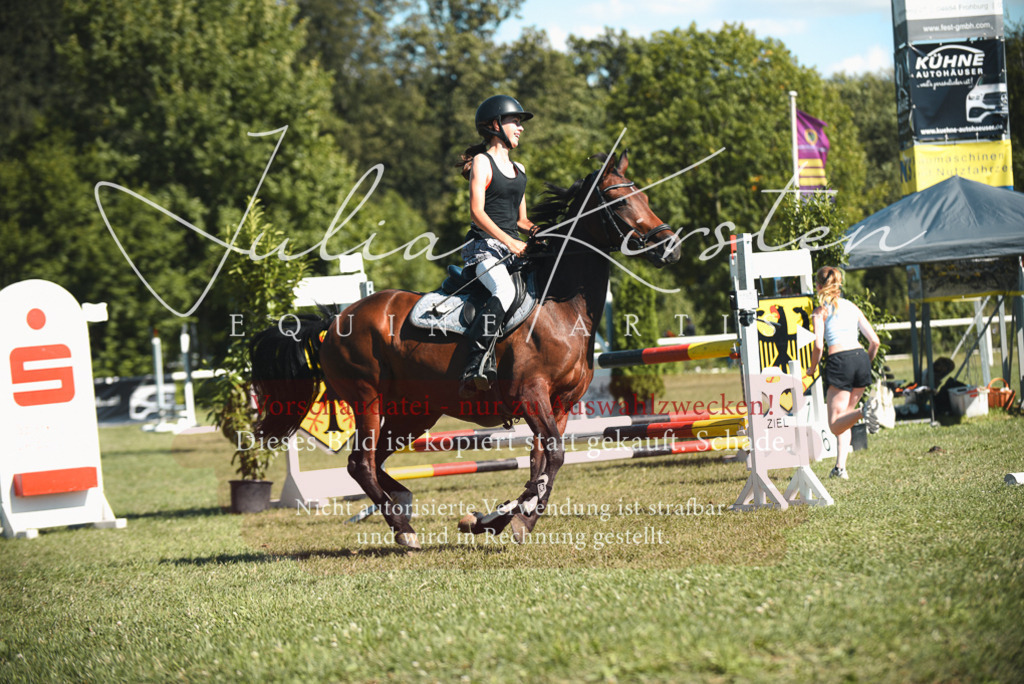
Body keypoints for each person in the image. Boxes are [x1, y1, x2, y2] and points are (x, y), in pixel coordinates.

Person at [455, 95, 538, 398]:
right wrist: (510, 242)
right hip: (485, 249)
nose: (520, 128)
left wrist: (542, 232)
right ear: (494, 125)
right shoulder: (482, 161)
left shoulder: (520, 168)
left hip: (513, 247)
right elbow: (477, 212)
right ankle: (474, 365)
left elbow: (522, 220)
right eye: (515, 121)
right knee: (504, 291)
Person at [807, 266, 880, 479]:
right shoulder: (852, 307)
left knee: (834, 424)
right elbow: (874, 341)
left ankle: (863, 413)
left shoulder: (820, 311)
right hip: (860, 358)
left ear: (818, 286)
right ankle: (840, 468)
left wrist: (812, 368)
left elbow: (819, 346)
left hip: (840, 360)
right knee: (845, 417)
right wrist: (863, 363)